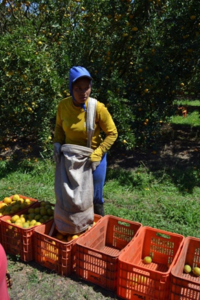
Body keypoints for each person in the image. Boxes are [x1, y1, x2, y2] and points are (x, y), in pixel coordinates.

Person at [53, 66, 118, 217]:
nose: (83, 93)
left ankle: (96, 222)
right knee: (71, 193)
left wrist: (99, 153)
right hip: (71, 158)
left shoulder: (97, 108)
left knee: (94, 195)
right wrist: (57, 142)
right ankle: (73, 222)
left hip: (93, 158)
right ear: (71, 88)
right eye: (78, 88)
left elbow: (112, 133)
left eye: (87, 88)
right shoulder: (63, 106)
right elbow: (58, 127)